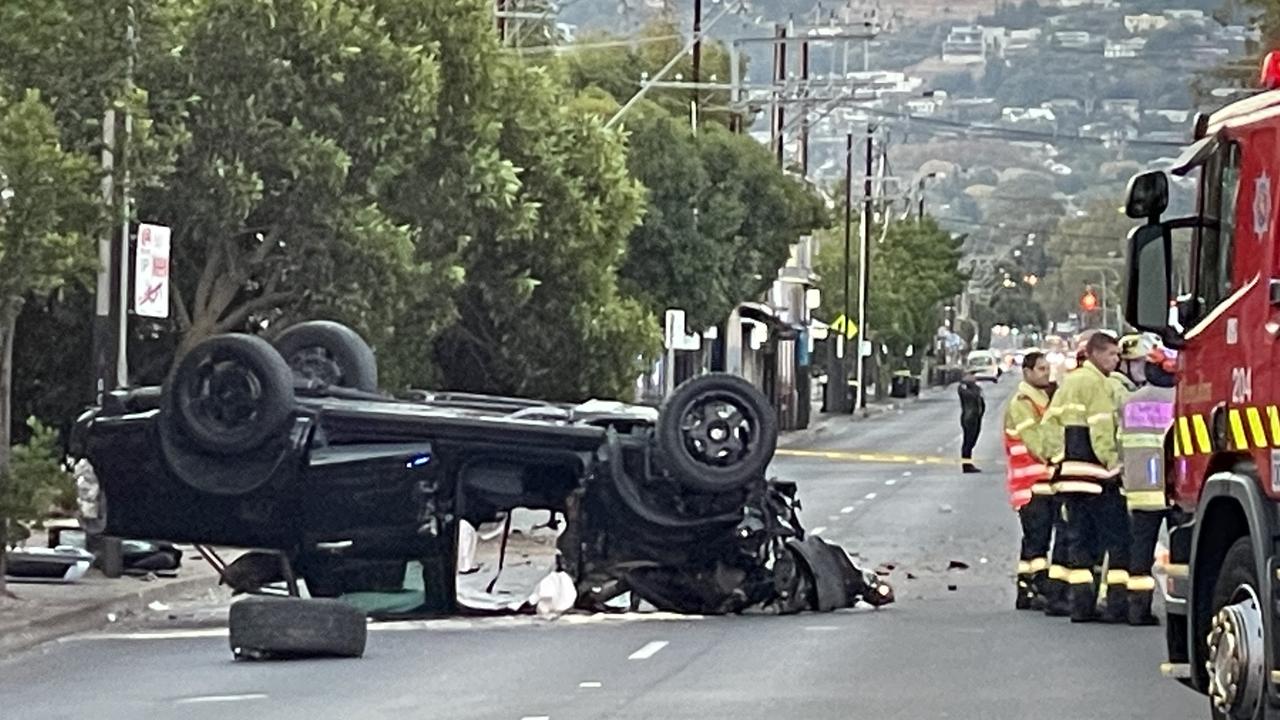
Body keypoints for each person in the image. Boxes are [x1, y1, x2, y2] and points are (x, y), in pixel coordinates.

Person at [1042, 331, 1128, 623]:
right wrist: (1114, 466)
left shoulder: (1069, 383)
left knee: (1080, 546)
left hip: (1071, 479)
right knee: (1116, 540)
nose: (1116, 360)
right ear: (1095, 354)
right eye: (1112, 354)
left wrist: (1057, 459)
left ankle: (1081, 607)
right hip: (1096, 478)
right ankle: (1117, 606)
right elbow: (1101, 430)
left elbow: (1049, 425)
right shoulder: (1096, 384)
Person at [1118, 345, 1177, 625]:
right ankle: (1182, 608)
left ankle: (1137, 609)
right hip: (1176, 488)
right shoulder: (1185, 400)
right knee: (1181, 553)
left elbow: (1119, 445)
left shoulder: (1129, 402)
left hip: (1141, 489)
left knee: (1140, 553)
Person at [1003, 351, 1054, 609]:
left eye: (1047, 368)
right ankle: (1035, 587)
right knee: (1036, 541)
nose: (1047, 373)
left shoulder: (1042, 400)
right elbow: (1036, 442)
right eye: (1042, 369)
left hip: (1041, 484)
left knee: (1035, 540)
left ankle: (1026, 589)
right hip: (1030, 485)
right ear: (1027, 372)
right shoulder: (1023, 403)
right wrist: (1057, 456)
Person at [958, 370, 986, 473]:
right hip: (969, 417)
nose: (974, 378)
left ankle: (968, 463)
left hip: (976, 416)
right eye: (971, 375)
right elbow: (971, 396)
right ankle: (966, 464)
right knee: (968, 442)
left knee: (973, 440)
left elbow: (981, 402)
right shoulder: (963, 388)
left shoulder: (975, 387)